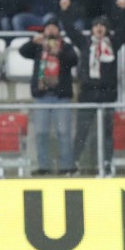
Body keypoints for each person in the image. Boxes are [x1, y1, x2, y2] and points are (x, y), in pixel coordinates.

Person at [59, 0, 125, 176]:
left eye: (102, 26)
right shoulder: (85, 43)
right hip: (88, 93)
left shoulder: (112, 44)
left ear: (106, 29)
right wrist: (65, 11)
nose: (99, 28)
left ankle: (106, 164)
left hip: (106, 93)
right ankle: (73, 164)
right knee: (82, 131)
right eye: (96, 25)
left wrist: (123, 11)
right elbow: (69, 29)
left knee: (106, 132)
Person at [19, 19, 79, 176]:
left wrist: (59, 52)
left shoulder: (66, 46)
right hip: (42, 95)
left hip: (61, 96)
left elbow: (74, 60)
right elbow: (23, 51)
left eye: (54, 28)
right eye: (48, 28)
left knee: (64, 132)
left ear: (58, 31)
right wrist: (33, 42)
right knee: (41, 133)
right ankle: (43, 166)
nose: (51, 31)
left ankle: (67, 166)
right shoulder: (39, 46)